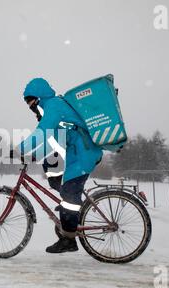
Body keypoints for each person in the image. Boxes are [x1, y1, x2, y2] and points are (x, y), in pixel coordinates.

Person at [11, 78, 103, 254]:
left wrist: (19, 149)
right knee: (51, 167)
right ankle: (69, 208)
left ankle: (69, 238)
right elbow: (51, 141)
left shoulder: (54, 105)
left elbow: (42, 132)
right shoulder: (51, 109)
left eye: (31, 101)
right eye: (28, 103)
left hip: (84, 153)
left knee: (69, 193)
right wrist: (33, 156)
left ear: (39, 97)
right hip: (76, 154)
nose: (30, 106)